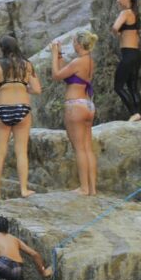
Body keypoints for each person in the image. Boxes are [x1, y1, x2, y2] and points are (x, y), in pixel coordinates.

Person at [0, 35, 41, 199]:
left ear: (2, 48)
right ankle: (24, 189)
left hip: (3, 109)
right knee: (21, 152)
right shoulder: (27, 64)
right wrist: (23, 88)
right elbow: (37, 89)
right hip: (22, 109)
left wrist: (5, 86)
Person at [50, 31, 99, 196]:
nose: (73, 45)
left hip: (75, 106)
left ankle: (84, 188)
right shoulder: (90, 61)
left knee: (79, 149)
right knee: (87, 148)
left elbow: (56, 75)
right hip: (88, 105)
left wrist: (53, 55)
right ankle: (92, 188)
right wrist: (59, 55)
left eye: (73, 42)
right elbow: (68, 72)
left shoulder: (78, 62)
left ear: (79, 44)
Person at [111, 0, 141, 121]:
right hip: (136, 54)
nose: (117, 1)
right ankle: (138, 114)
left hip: (128, 55)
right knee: (132, 87)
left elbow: (114, 27)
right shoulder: (135, 14)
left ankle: (133, 113)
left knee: (118, 86)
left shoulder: (125, 13)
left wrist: (117, 33)